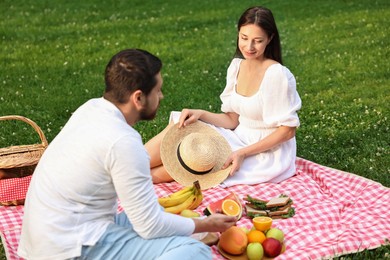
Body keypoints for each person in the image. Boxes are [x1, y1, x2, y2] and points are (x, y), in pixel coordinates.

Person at [17, 49, 237, 260]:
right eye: (158, 90)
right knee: (195, 250)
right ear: (138, 98)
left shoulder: (91, 108)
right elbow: (150, 227)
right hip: (69, 249)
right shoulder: (123, 142)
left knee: (156, 214)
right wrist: (206, 225)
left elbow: (145, 218)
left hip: (46, 236)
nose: (161, 95)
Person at [146, 6, 302, 187]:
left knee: (193, 160)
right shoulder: (237, 66)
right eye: (244, 38)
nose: (249, 47)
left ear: (270, 39)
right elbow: (231, 120)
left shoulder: (277, 75)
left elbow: (288, 130)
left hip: (265, 152)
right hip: (239, 135)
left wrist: (243, 153)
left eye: (257, 41)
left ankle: (133, 180)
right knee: (182, 129)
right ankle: (126, 166)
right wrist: (200, 114)